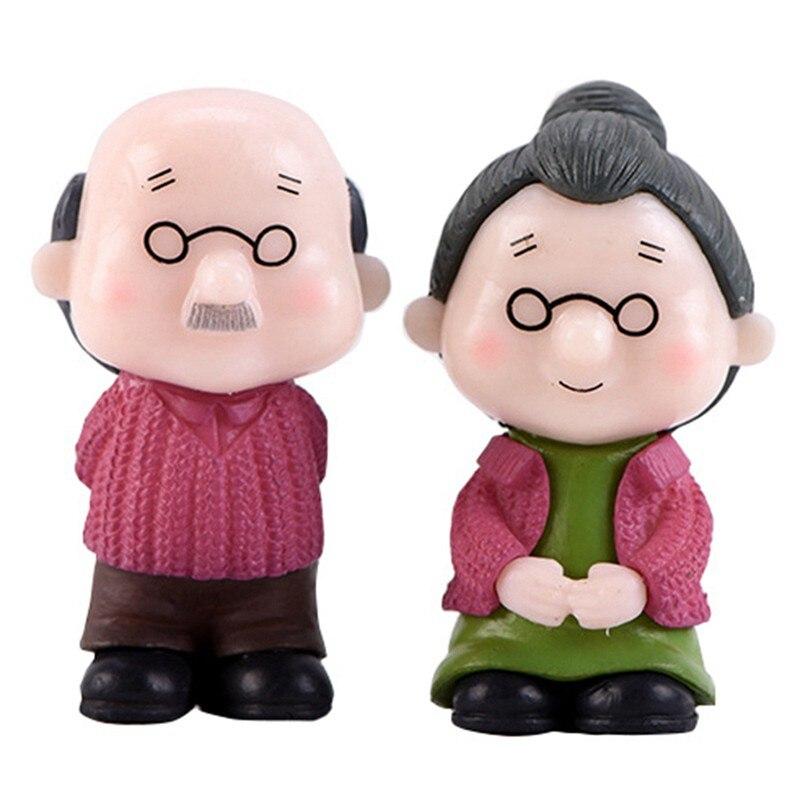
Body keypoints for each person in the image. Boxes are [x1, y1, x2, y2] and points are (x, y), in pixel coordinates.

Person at [404, 81, 773, 735]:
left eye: (637, 314)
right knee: (498, 688)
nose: (581, 348)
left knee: (642, 689)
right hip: (512, 632)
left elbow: (686, 531)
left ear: (737, 338)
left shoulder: (661, 472)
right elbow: (476, 520)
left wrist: (642, 584)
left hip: (637, 636)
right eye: (529, 309)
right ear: (439, 323)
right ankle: (506, 670)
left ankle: (640, 675)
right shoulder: (507, 464)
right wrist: (506, 574)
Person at [32, 89, 389, 724]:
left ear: (358, 279)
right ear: (68, 267)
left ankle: (271, 652)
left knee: (275, 652)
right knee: (135, 652)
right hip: (139, 581)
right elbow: (90, 461)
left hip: (272, 587)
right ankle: (134, 648)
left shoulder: (294, 413)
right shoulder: (126, 405)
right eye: (167, 243)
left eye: (274, 246)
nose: (223, 286)